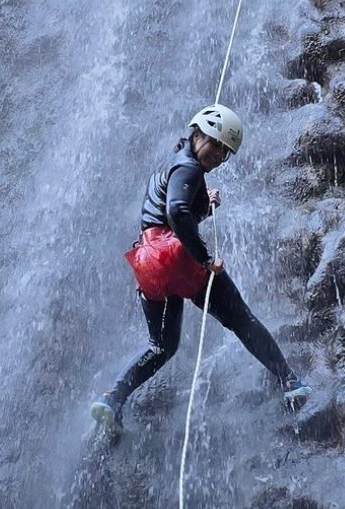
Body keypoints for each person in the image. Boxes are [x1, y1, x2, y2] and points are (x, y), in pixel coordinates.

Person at [91, 104, 310, 435]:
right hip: (175, 257)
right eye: (216, 143)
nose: (220, 154)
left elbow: (171, 213)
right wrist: (205, 259)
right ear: (197, 135)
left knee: (161, 346)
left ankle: (113, 398)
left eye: (226, 151)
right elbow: (178, 214)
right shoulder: (190, 170)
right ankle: (289, 379)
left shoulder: (172, 170)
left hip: (147, 263)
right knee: (240, 318)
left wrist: (204, 207)